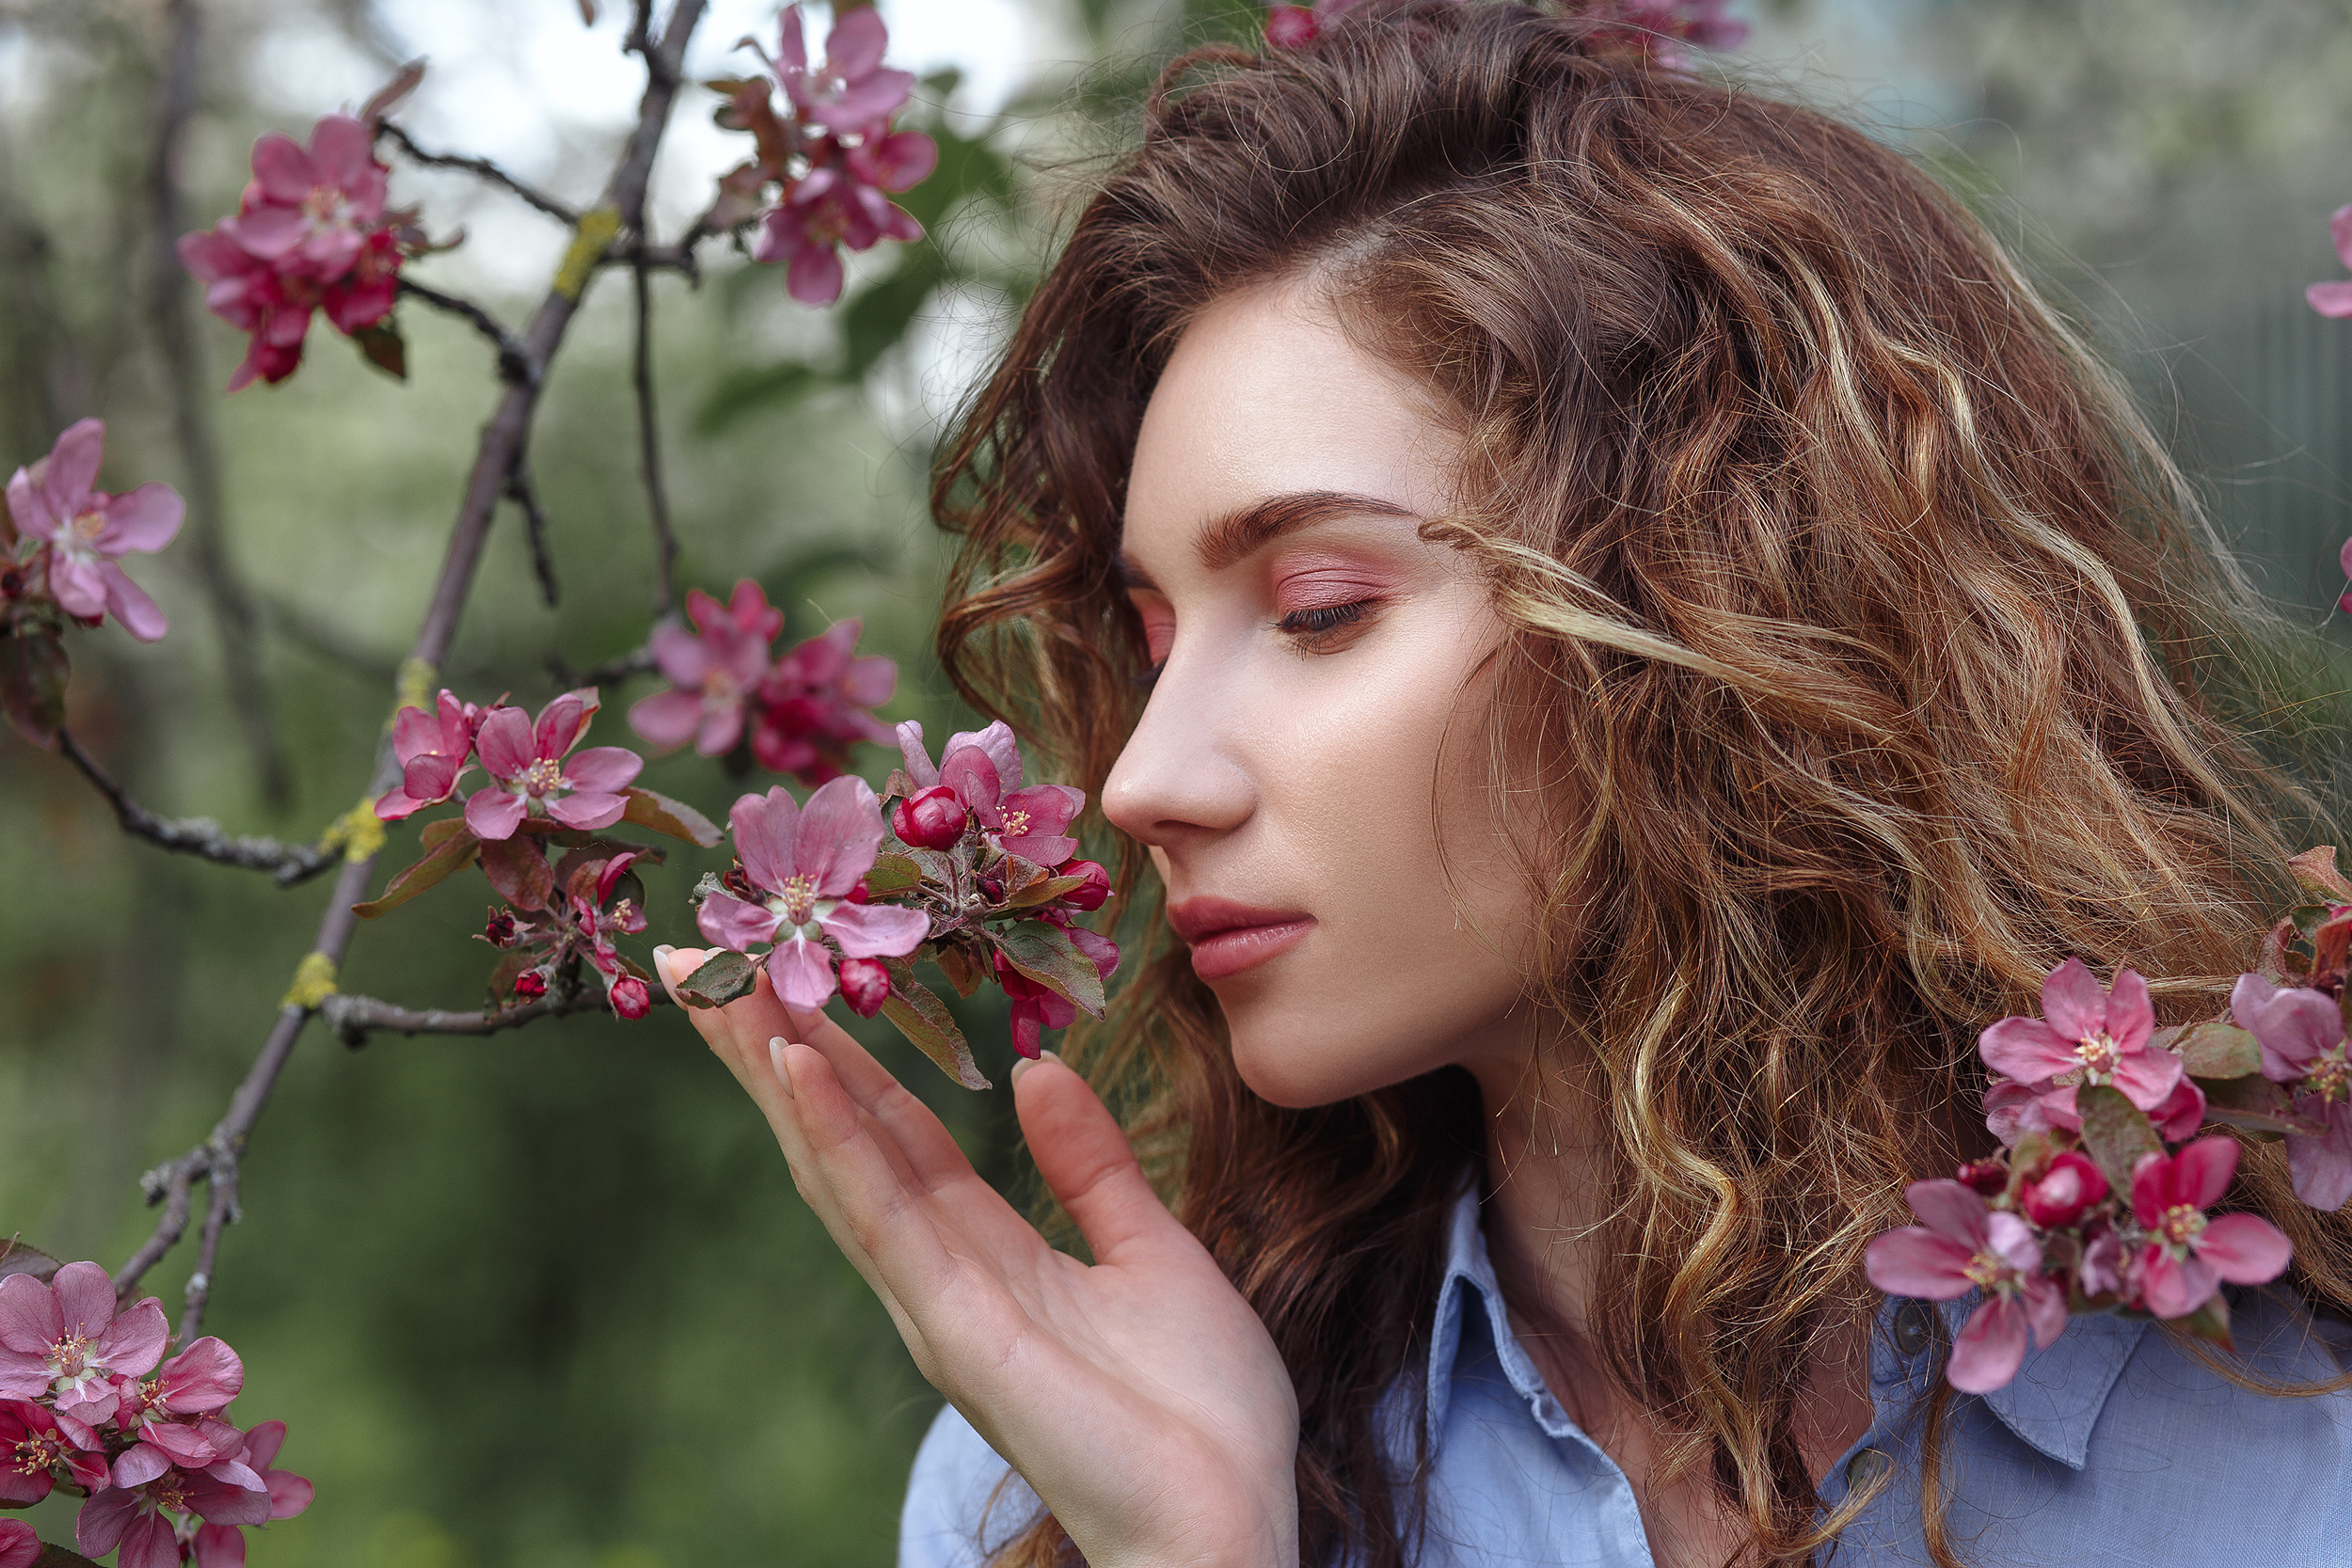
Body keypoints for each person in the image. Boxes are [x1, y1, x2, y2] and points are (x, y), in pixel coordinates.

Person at [653, 3, 2352, 1563]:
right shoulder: (1062, 1482)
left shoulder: (2301, 1425)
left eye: (1319, 610)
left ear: (1721, 608)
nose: (1143, 781)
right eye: (1154, 641)